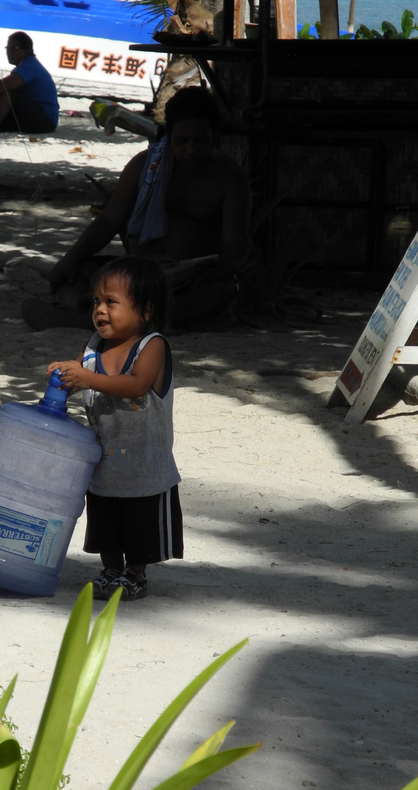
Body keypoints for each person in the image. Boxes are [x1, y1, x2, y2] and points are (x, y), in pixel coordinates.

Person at [25, 85, 252, 330]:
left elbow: (236, 246)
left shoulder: (229, 178)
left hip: (189, 282)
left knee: (222, 290)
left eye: (200, 141)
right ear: (168, 135)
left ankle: (90, 322)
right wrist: (72, 256)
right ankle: (132, 318)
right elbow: (109, 221)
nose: (190, 150)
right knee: (75, 275)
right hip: (137, 274)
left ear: (214, 135)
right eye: (182, 141)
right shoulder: (144, 166)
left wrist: (218, 268)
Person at [46, 255, 183, 602]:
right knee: (106, 521)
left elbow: (137, 385)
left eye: (111, 302)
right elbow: (83, 375)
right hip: (104, 460)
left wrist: (88, 377)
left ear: (146, 310)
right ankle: (111, 570)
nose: (100, 310)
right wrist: (68, 375)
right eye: (96, 301)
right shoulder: (94, 345)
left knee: (140, 525)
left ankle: (136, 575)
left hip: (145, 464)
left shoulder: (151, 345)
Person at [0, 31, 59, 134]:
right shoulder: (25, 66)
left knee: (5, 90)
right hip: (33, 114)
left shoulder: (30, 65)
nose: (9, 52)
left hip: (45, 119)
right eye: (8, 48)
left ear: (27, 50)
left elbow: (6, 85)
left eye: (14, 48)